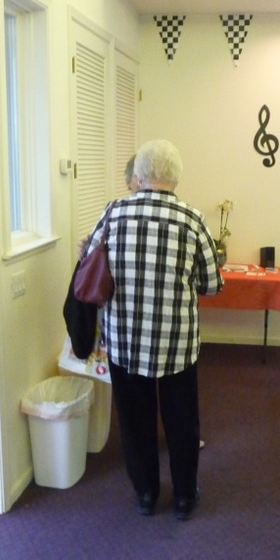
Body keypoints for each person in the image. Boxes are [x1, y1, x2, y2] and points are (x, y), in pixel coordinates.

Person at [83, 139, 222, 519]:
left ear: (139, 175)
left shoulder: (113, 212)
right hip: (177, 341)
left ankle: (146, 493)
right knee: (182, 421)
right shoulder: (192, 219)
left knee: (134, 420)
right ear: (176, 177)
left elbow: (88, 261)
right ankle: (184, 497)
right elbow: (212, 284)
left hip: (125, 339)